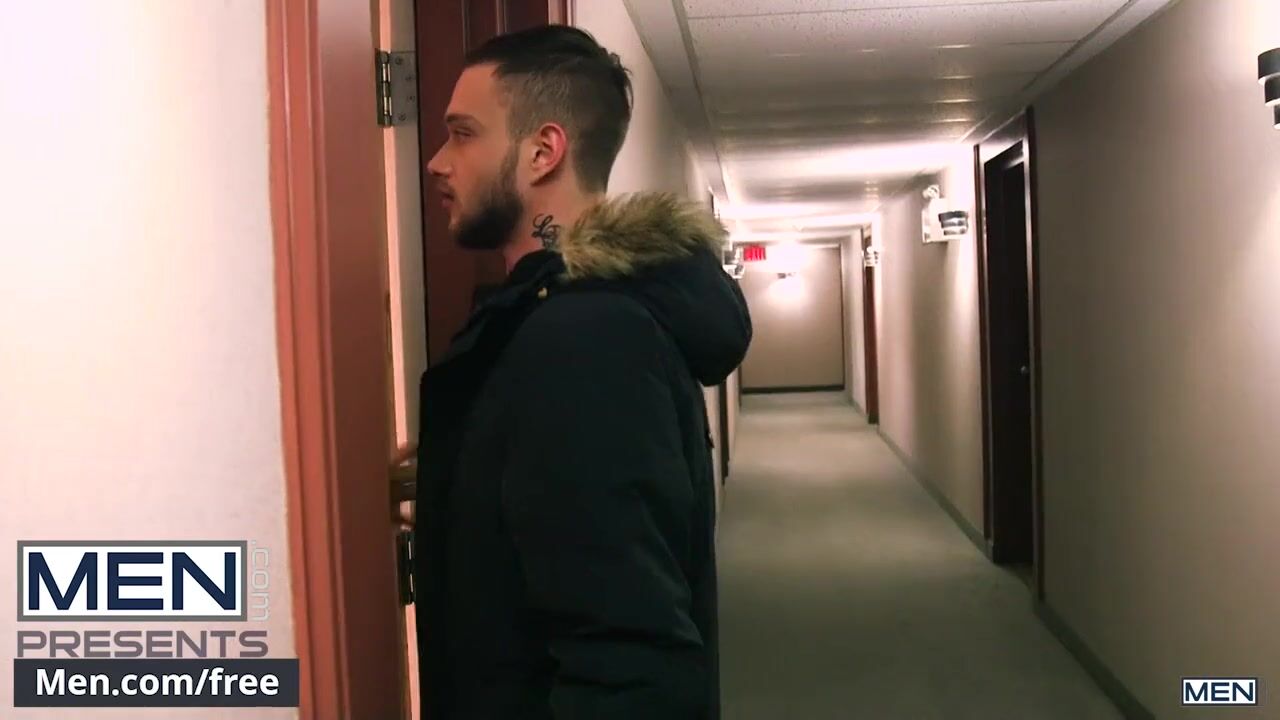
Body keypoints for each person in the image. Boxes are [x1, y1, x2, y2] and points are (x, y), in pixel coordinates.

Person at [413, 24, 752, 720]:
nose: (437, 162)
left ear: (544, 151)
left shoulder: (585, 337)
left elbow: (627, 656)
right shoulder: (550, 315)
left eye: (462, 134)